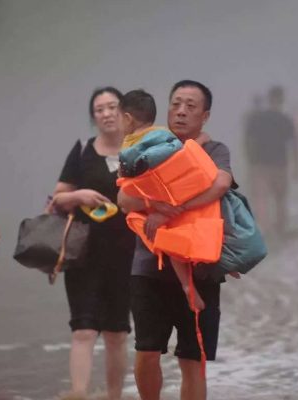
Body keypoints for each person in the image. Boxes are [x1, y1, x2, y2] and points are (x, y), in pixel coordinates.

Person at [118, 80, 237, 400]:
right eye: (176, 104)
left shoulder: (215, 150)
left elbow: (220, 184)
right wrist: (155, 206)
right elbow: (123, 199)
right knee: (146, 352)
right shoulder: (145, 146)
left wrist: (171, 210)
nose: (181, 112)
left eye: (190, 106)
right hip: (148, 266)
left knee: (192, 359)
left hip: (201, 269)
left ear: (205, 115)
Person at [49, 87, 136, 400]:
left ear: (124, 112)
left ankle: (114, 395)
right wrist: (78, 196)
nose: (107, 113)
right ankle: (78, 394)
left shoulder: (138, 150)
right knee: (83, 329)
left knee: (116, 333)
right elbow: (57, 198)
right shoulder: (83, 150)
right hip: (84, 253)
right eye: (100, 109)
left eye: (112, 107)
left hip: (127, 254)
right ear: (93, 117)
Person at [117, 89, 214, 312]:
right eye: (177, 104)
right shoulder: (158, 134)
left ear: (128, 119)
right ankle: (190, 285)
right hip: (167, 196)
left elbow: (126, 182)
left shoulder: (133, 143)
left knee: (168, 241)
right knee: (174, 242)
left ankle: (188, 286)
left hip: (165, 195)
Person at [244, 85, 298, 237]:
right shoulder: (286, 120)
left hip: (259, 164)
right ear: (281, 99)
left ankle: (265, 229)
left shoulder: (257, 118)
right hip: (280, 164)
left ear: (269, 99)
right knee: (280, 198)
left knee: (262, 198)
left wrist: (250, 160)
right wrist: (296, 166)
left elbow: (249, 140)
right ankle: (280, 229)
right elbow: (293, 144)